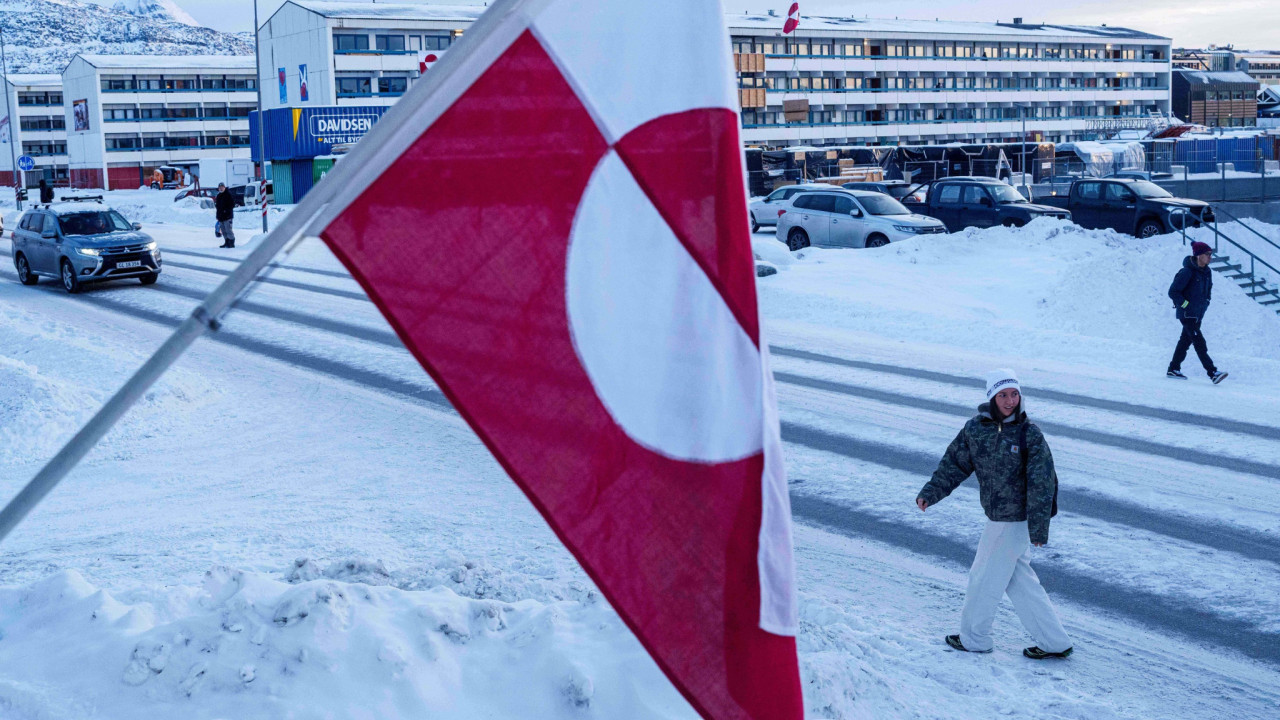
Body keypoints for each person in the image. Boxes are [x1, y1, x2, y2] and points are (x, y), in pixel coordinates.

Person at [916, 369, 1073, 660]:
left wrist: (1039, 528)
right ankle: (1054, 641)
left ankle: (975, 639)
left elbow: (1043, 483)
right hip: (997, 516)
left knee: (984, 577)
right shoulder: (976, 430)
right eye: (1003, 395)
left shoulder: (1030, 435)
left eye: (1014, 394)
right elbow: (954, 464)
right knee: (1019, 582)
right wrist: (931, 492)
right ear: (991, 397)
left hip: (1014, 521)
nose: (1010, 400)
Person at [1167, 241, 1226, 384]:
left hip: (1198, 313)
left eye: (1211, 254)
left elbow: (1208, 291)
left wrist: (1206, 302)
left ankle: (1173, 368)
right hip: (1187, 314)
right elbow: (1173, 292)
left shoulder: (1207, 272)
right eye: (1207, 254)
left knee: (1185, 341)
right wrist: (1186, 304)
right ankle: (1212, 372)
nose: (1210, 257)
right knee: (1199, 342)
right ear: (1199, 255)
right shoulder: (1187, 272)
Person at [215, 183, 236, 249]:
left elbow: (232, 204)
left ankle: (231, 243)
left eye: (222, 187)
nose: (221, 188)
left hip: (227, 216)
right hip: (221, 217)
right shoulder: (218, 196)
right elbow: (217, 207)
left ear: (224, 187)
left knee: (228, 230)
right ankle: (226, 242)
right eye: (220, 187)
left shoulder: (228, 195)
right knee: (223, 230)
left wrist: (226, 211)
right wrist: (217, 215)